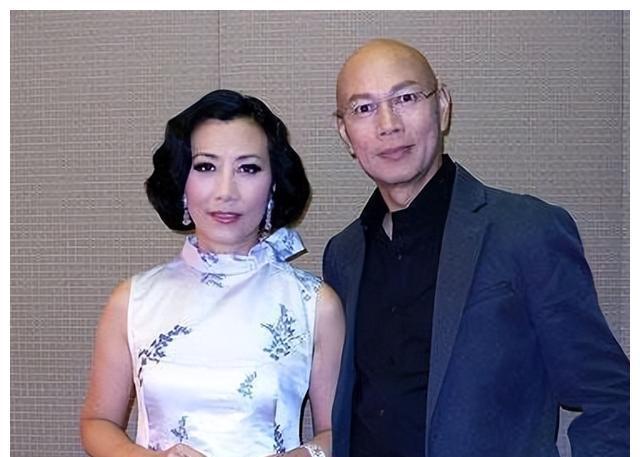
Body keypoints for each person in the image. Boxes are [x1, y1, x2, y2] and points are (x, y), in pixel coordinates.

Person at [323, 38, 629, 457]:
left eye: (406, 98)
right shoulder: (343, 255)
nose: (388, 124)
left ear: (442, 105)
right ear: (345, 133)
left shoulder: (526, 230)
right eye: (363, 108)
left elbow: (611, 397)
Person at [81, 89, 344, 457]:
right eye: (206, 167)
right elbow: (98, 422)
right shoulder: (132, 300)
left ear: (273, 186)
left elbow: (337, 432)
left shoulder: (314, 304)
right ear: (182, 183)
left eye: (248, 168)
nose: (225, 191)